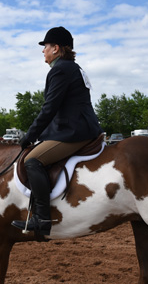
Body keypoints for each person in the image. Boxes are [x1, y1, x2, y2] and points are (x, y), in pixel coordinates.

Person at [11, 27, 103, 237]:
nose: (43, 51)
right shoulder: (73, 67)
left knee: (32, 160)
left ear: (56, 48)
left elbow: (50, 108)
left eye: (45, 46)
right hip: (80, 127)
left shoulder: (60, 69)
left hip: (75, 132)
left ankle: (42, 218)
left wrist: (30, 135)